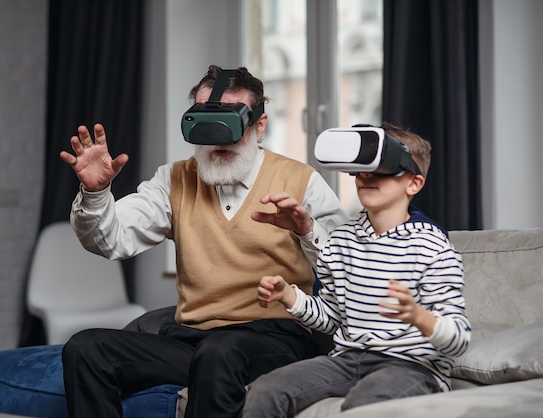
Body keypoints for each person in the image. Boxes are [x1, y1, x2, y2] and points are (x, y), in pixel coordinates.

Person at [58, 65, 349, 418]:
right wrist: (96, 192)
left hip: (277, 338)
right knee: (86, 347)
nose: (218, 137)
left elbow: (348, 271)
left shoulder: (300, 180)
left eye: (231, 121)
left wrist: (306, 231)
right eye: (207, 120)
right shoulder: (175, 179)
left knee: (221, 351)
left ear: (259, 125)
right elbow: (111, 240)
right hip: (193, 339)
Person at [242, 122, 471, 417]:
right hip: (348, 359)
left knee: (365, 402)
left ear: (413, 184)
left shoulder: (432, 246)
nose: (366, 178)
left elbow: (460, 339)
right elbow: (333, 319)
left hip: (412, 367)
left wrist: (420, 317)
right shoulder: (342, 239)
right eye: (362, 170)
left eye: (382, 169)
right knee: (266, 388)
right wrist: (291, 297)